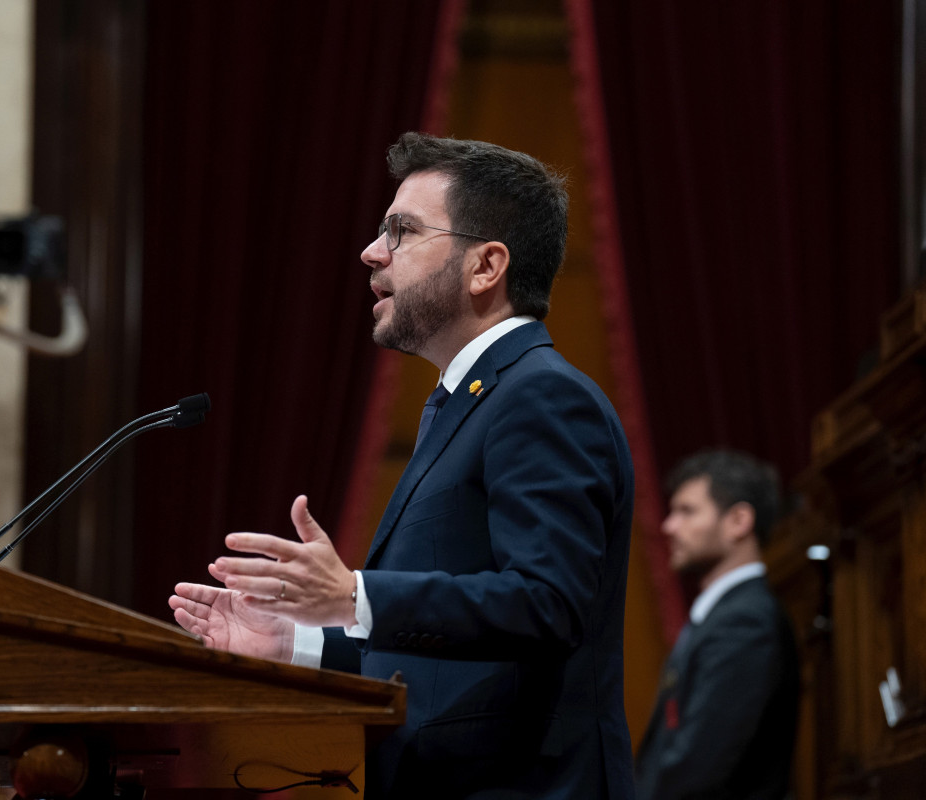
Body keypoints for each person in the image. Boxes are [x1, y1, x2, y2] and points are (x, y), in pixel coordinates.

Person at [169, 132, 636, 798]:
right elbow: (444, 653)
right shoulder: (464, 404)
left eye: (401, 231)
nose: (370, 252)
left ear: (486, 266)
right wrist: (297, 648)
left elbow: (547, 604)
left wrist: (354, 597)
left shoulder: (542, 396)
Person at [634, 450, 799, 800]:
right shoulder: (725, 615)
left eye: (687, 511)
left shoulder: (746, 621)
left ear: (738, 521)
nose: (668, 526)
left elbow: (698, 765)